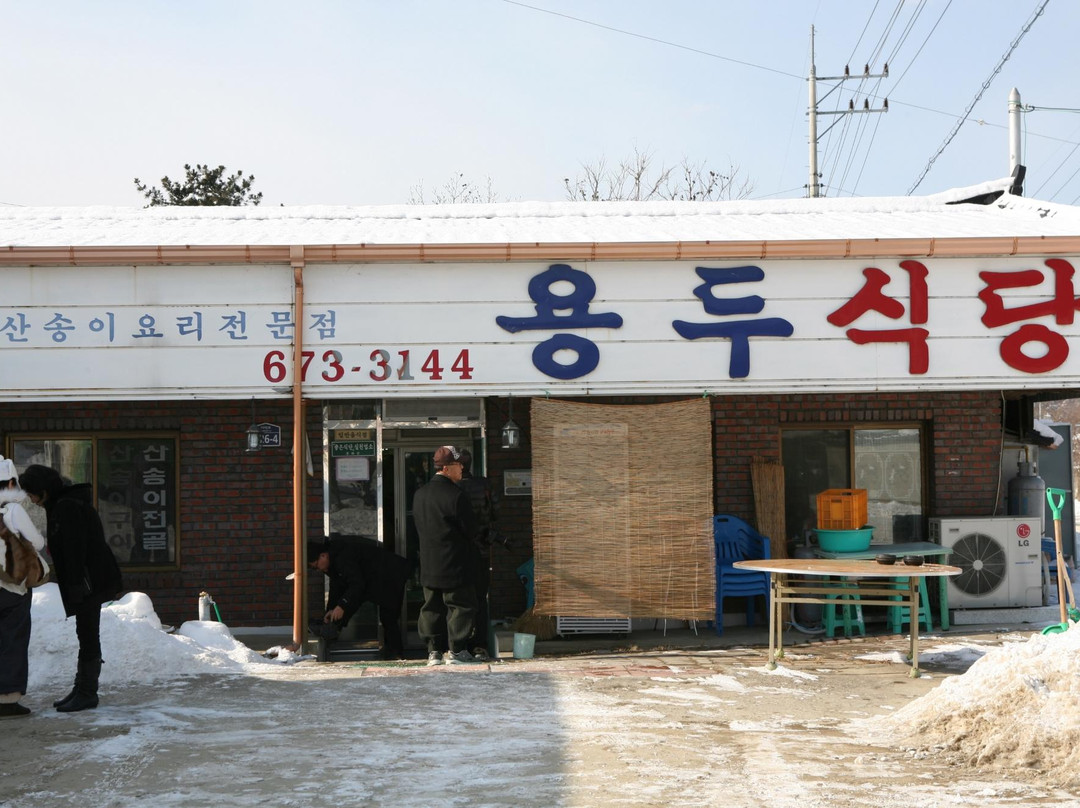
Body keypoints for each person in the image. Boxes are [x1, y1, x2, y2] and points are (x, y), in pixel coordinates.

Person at [19, 464, 122, 713]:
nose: (31, 500)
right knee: (85, 633)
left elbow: (76, 550)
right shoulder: (63, 503)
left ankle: (87, 692)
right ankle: (82, 688)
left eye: (32, 494)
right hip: (87, 580)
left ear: (44, 490)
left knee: (88, 634)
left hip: (87, 581)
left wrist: (76, 585)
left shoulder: (67, 507)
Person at [413, 445, 480, 665]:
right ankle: (457, 650)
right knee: (460, 605)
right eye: (459, 465)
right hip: (455, 562)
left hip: (429, 563)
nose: (462, 469)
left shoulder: (420, 494)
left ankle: (433, 652)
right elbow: (471, 530)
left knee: (431, 607)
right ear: (447, 467)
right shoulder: (456, 495)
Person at [307, 533, 412, 660]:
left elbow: (356, 585)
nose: (318, 569)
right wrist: (331, 609)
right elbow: (336, 588)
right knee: (352, 600)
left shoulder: (342, 558)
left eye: (316, 565)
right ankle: (332, 627)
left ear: (323, 555)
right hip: (373, 579)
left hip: (389, 575)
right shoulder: (333, 561)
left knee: (388, 616)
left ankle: (396, 653)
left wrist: (341, 606)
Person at [0, 458, 47, 719]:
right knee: (12, 639)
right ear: (10, 483)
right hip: (11, 585)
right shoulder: (13, 510)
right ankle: (6, 699)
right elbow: (37, 543)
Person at [457, 449, 499, 659]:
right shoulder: (484, 485)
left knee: (458, 601)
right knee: (480, 601)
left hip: (458, 554)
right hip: (482, 550)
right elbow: (496, 514)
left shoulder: (452, 487)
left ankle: (459, 644)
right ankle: (480, 645)